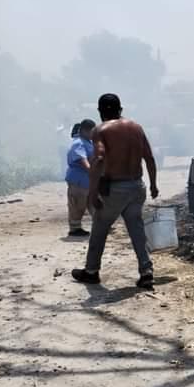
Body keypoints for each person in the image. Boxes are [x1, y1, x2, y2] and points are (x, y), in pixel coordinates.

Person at [71, 94, 159, 288]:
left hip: (115, 188)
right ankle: (146, 271)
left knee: (100, 227)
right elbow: (150, 158)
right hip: (137, 186)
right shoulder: (136, 128)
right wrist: (153, 184)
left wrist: (93, 192)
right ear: (120, 110)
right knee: (136, 229)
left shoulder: (100, 130)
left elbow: (99, 159)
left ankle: (91, 271)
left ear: (100, 112)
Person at [65, 120, 97, 237]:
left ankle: (100, 225)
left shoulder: (88, 142)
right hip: (79, 180)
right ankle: (75, 228)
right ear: (84, 131)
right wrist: (92, 171)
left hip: (88, 180)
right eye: (92, 132)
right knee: (78, 205)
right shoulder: (78, 143)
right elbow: (82, 159)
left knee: (94, 204)